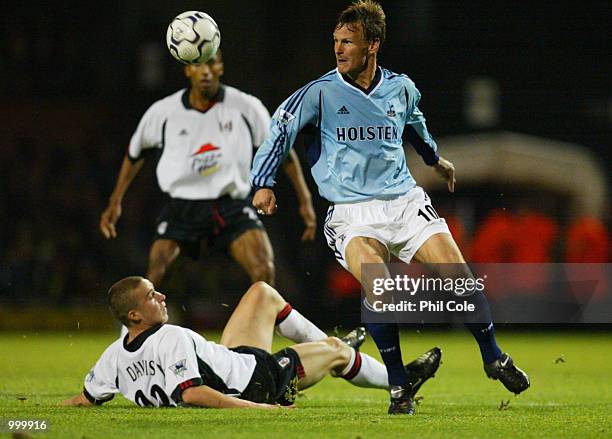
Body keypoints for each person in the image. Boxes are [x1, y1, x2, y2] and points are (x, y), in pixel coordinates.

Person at [250, 0, 529, 415]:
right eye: (336, 42)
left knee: (460, 279)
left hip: (404, 202)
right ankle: (400, 387)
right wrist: (263, 182)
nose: (339, 49)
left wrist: (436, 160)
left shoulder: (401, 88)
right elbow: (280, 128)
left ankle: (493, 357)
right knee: (381, 289)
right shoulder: (320, 92)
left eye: (349, 42)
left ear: (373, 45)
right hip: (350, 212)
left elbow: (416, 127)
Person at [99, 50, 316, 287]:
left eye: (211, 63)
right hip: (182, 209)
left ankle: (264, 323)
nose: (205, 71)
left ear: (221, 67)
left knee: (264, 270)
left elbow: (282, 152)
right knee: (155, 276)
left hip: (231, 207)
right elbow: (135, 154)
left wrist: (304, 199)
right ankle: (140, 325)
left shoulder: (246, 106)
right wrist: (115, 201)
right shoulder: (163, 112)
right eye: (197, 65)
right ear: (187, 70)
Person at [61, 276, 441, 408]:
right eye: (151, 296)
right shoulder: (171, 336)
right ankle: (400, 379)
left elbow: (84, 398)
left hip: (233, 360)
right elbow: (192, 394)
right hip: (257, 382)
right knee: (339, 354)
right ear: (134, 316)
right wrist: (263, 410)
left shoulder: (113, 354)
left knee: (261, 293)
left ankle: (327, 345)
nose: (161, 297)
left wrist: (25, 419)